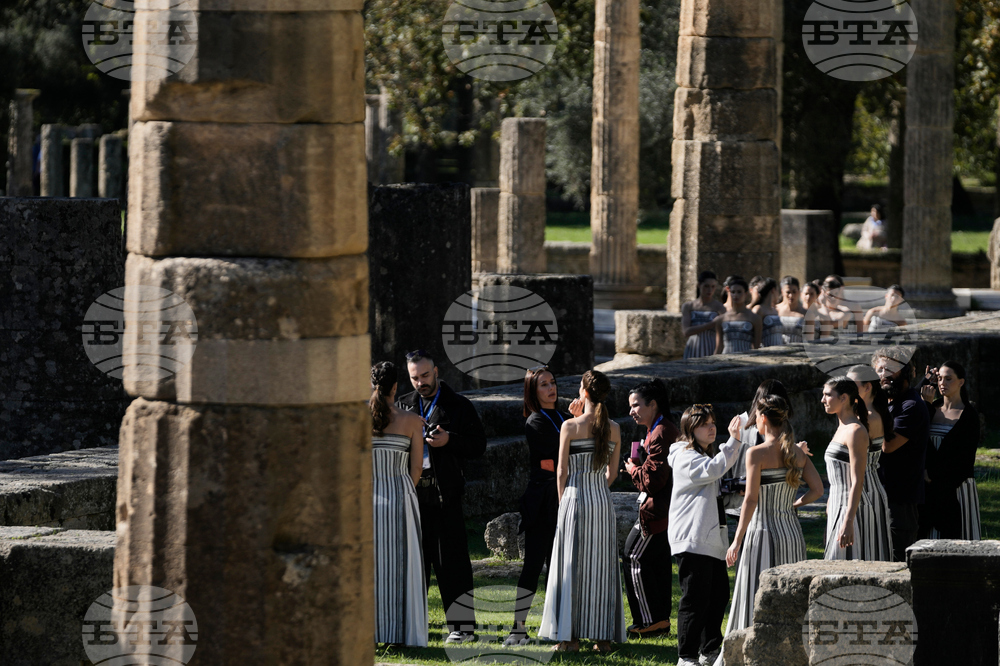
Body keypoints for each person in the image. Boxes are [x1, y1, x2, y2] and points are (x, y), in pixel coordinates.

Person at [397, 350, 487, 643]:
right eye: (414, 378)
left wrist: (450, 441)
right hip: (411, 496)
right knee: (413, 563)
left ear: (435, 371)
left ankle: (462, 629)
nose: (421, 382)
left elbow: (478, 446)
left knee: (453, 564)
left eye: (425, 375)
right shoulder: (403, 406)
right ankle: (411, 626)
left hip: (444, 494)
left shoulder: (458, 405)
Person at [721, 395, 823, 654]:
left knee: (755, 594)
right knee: (792, 599)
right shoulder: (798, 452)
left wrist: (736, 539)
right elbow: (818, 490)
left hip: (762, 532)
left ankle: (749, 652)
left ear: (763, 419)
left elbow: (751, 500)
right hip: (791, 533)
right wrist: (794, 505)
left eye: (756, 416)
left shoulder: (756, 453)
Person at [539, 370, 626, 653]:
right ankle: (603, 639)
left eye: (579, 388)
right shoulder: (613, 427)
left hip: (575, 498)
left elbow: (561, 471)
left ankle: (570, 639)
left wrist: (565, 501)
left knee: (571, 568)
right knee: (601, 568)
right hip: (601, 499)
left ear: (585, 393)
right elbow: (613, 473)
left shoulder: (570, 426)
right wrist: (598, 486)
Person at [668, 405, 742, 666]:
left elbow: (711, 491)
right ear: (690, 429)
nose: (712, 428)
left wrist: (737, 493)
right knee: (695, 600)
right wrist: (734, 440)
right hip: (693, 538)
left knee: (718, 595)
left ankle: (709, 650)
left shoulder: (703, 455)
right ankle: (686, 656)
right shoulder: (684, 456)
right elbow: (713, 470)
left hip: (710, 540)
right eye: (704, 424)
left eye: (713, 422)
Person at [506, 366, 570, 646]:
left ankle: (558, 626)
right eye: (543, 384)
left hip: (562, 496)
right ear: (533, 391)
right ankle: (517, 630)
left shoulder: (564, 415)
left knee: (560, 567)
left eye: (552, 382)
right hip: (541, 501)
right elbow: (556, 456)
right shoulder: (535, 421)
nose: (550, 388)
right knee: (533, 566)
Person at [370, 362, 429, 647]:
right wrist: (405, 490)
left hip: (366, 496)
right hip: (400, 493)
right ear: (396, 387)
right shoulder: (412, 420)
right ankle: (399, 634)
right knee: (402, 566)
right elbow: (417, 467)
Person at [622, 379, 681, 638]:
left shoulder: (660, 433)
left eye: (636, 405)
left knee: (633, 556)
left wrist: (633, 469)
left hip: (657, 512)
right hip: (662, 511)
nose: (631, 411)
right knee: (656, 564)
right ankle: (659, 622)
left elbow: (652, 481)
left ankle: (648, 621)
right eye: (630, 406)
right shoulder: (656, 430)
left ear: (653, 404)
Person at [871, 347, 929, 562]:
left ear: (906, 371)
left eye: (890, 369)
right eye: (879, 370)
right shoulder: (888, 404)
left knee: (899, 563)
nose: (883, 375)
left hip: (901, 499)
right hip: (882, 493)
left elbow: (888, 445)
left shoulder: (910, 405)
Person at [919, 361, 982, 540]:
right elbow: (918, 440)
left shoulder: (969, 416)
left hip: (956, 487)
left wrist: (933, 474)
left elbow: (965, 457)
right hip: (928, 488)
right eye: (939, 379)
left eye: (948, 379)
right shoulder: (931, 408)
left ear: (961, 382)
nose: (942, 383)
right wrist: (926, 404)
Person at [821, 377, 873, 560]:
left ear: (843, 398)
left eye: (827, 395)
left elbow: (858, 480)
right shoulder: (841, 427)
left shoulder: (855, 431)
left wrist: (848, 521)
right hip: (837, 505)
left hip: (850, 510)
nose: (822, 399)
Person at [847, 365, 895, 561]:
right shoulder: (862, 416)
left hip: (865, 490)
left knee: (865, 553)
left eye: (851, 385)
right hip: (864, 488)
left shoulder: (868, 418)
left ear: (867, 387)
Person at [682, 271, 727, 359]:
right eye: (706, 286)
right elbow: (686, 331)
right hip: (693, 347)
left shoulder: (719, 307)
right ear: (699, 285)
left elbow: (724, 332)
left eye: (713, 286)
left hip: (711, 346)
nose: (710, 290)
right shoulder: (688, 306)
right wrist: (711, 324)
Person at [715, 276, 761, 354]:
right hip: (725, 359)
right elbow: (719, 346)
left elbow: (756, 347)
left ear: (746, 294)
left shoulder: (755, 318)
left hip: (747, 360)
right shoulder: (721, 319)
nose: (735, 295)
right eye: (733, 292)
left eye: (739, 292)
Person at [751, 277, 784, 347]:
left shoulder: (775, 310)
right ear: (773, 290)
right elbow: (754, 335)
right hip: (765, 351)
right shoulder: (758, 309)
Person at [776, 276, 806, 344]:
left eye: (794, 292)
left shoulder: (805, 312)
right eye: (788, 292)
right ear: (782, 291)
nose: (791, 295)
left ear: (799, 291)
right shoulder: (775, 310)